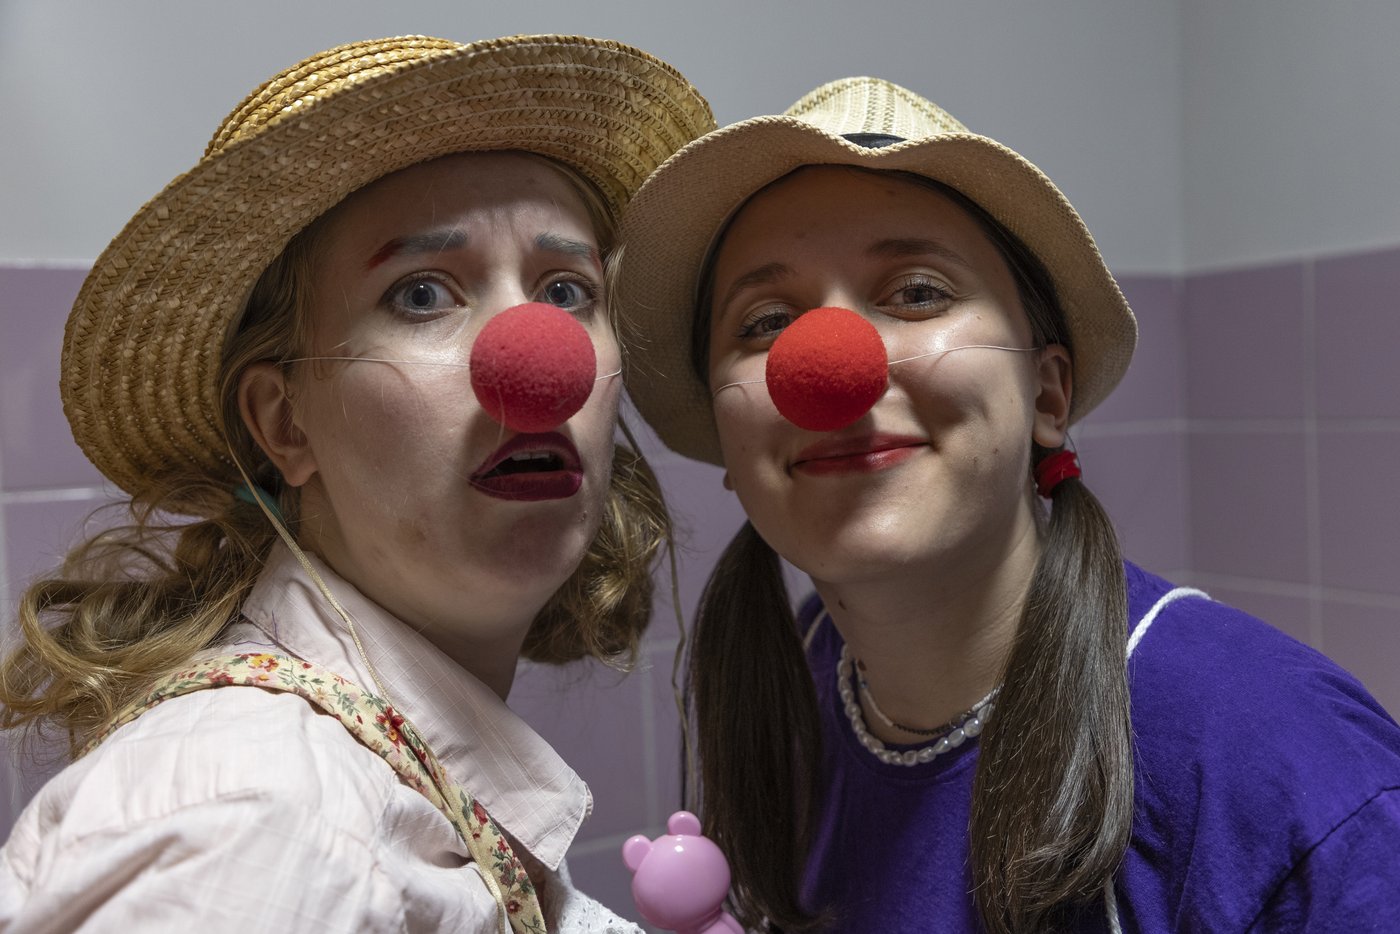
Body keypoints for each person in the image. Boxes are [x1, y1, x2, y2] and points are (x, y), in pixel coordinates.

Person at [615, 77, 1400, 932]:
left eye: (917, 292)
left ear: (1047, 396)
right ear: (730, 442)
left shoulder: (1280, 759)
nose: (831, 368)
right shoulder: (795, 684)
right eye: (765, 321)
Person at [0, 35, 712, 932]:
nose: (539, 363)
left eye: (566, 291)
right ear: (284, 424)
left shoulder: (371, 781)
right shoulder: (255, 820)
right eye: (423, 295)